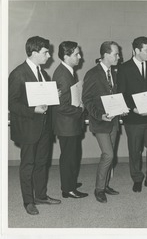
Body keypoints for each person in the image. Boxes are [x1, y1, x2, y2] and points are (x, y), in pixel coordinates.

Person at [8, 36, 61, 215]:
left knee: (41, 164)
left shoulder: (44, 74)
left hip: (44, 128)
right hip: (28, 128)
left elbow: (43, 98)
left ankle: (41, 196)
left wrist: (54, 94)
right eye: (46, 52)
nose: (49, 56)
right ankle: (28, 201)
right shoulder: (18, 74)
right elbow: (11, 104)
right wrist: (33, 110)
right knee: (28, 165)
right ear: (34, 53)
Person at [117, 36, 147, 192]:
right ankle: (137, 178)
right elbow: (121, 93)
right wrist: (134, 108)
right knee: (134, 150)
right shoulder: (124, 68)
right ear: (136, 50)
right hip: (134, 118)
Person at [82, 41, 122, 203]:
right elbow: (87, 99)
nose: (119, 57)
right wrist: (100, 115)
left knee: (110, 156)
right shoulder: (92, 74)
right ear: (105, 55)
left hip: (114, 122)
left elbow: (116, 96)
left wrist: (121, 108)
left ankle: (105, 185)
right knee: (108, 154)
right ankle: (99, 189)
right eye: (116, 54)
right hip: (100, 122)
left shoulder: (115, 72)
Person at [52, 41, 88, 199]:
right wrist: (80, 109)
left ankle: (70, 182)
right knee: (68, 157)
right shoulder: (62, 74)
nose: (80, 57)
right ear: (66, 56)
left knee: (73, 154)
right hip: (67, 124)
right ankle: (68, 189)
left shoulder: (68, 71)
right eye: (76, 54)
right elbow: (60, 106)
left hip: (70, 123)